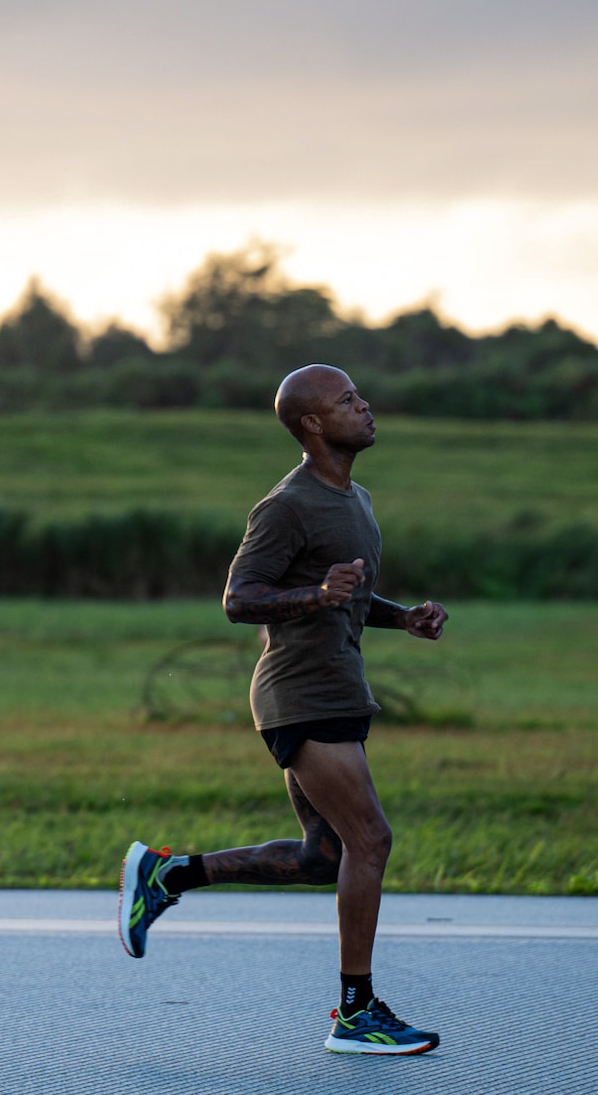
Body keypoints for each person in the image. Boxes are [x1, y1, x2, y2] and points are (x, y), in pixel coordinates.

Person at [118, 364, 450, 1056]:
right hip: (302, 690)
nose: (365, 405)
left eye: (361, 393)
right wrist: (315, 596)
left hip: (333, 684)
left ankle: (167, 873)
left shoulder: (355, 496)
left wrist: (402, 618)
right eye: (347, 400)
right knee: (372, 839)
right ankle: (354, 1013)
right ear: (311, 424)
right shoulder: (287, 504)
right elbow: (239, 598)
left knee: (322, 856)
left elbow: (343, 594)